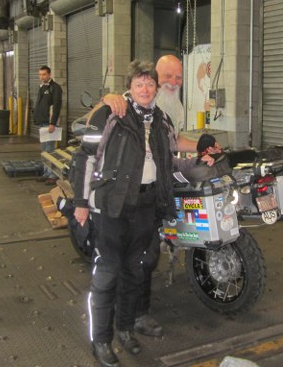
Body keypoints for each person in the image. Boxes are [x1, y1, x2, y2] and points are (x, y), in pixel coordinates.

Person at [74, 60, 214, 367]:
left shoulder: (161, 119)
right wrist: (81, 202)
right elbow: (85, 158)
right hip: (111, 206)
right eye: (139, 84)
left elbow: (172, 149)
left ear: (156, 87)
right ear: (130, 87)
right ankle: (101, 340)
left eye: (150, 84)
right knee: (107, 273)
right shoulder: (110, 113)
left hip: (146, 205)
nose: (145, 89)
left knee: (134, 270)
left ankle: (125, 329)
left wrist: (201, 150)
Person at [33, 65, 63, 186]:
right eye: (40, 75)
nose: (42, 77)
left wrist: (52, 123)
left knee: (50, 150)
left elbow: (56, 106)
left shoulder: (55, 88)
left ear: (49, 74)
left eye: (44, 74)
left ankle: (53, 175)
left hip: (49, 123)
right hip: (42, 122)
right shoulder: (42, 87)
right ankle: (46, 173)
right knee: (44, 150)